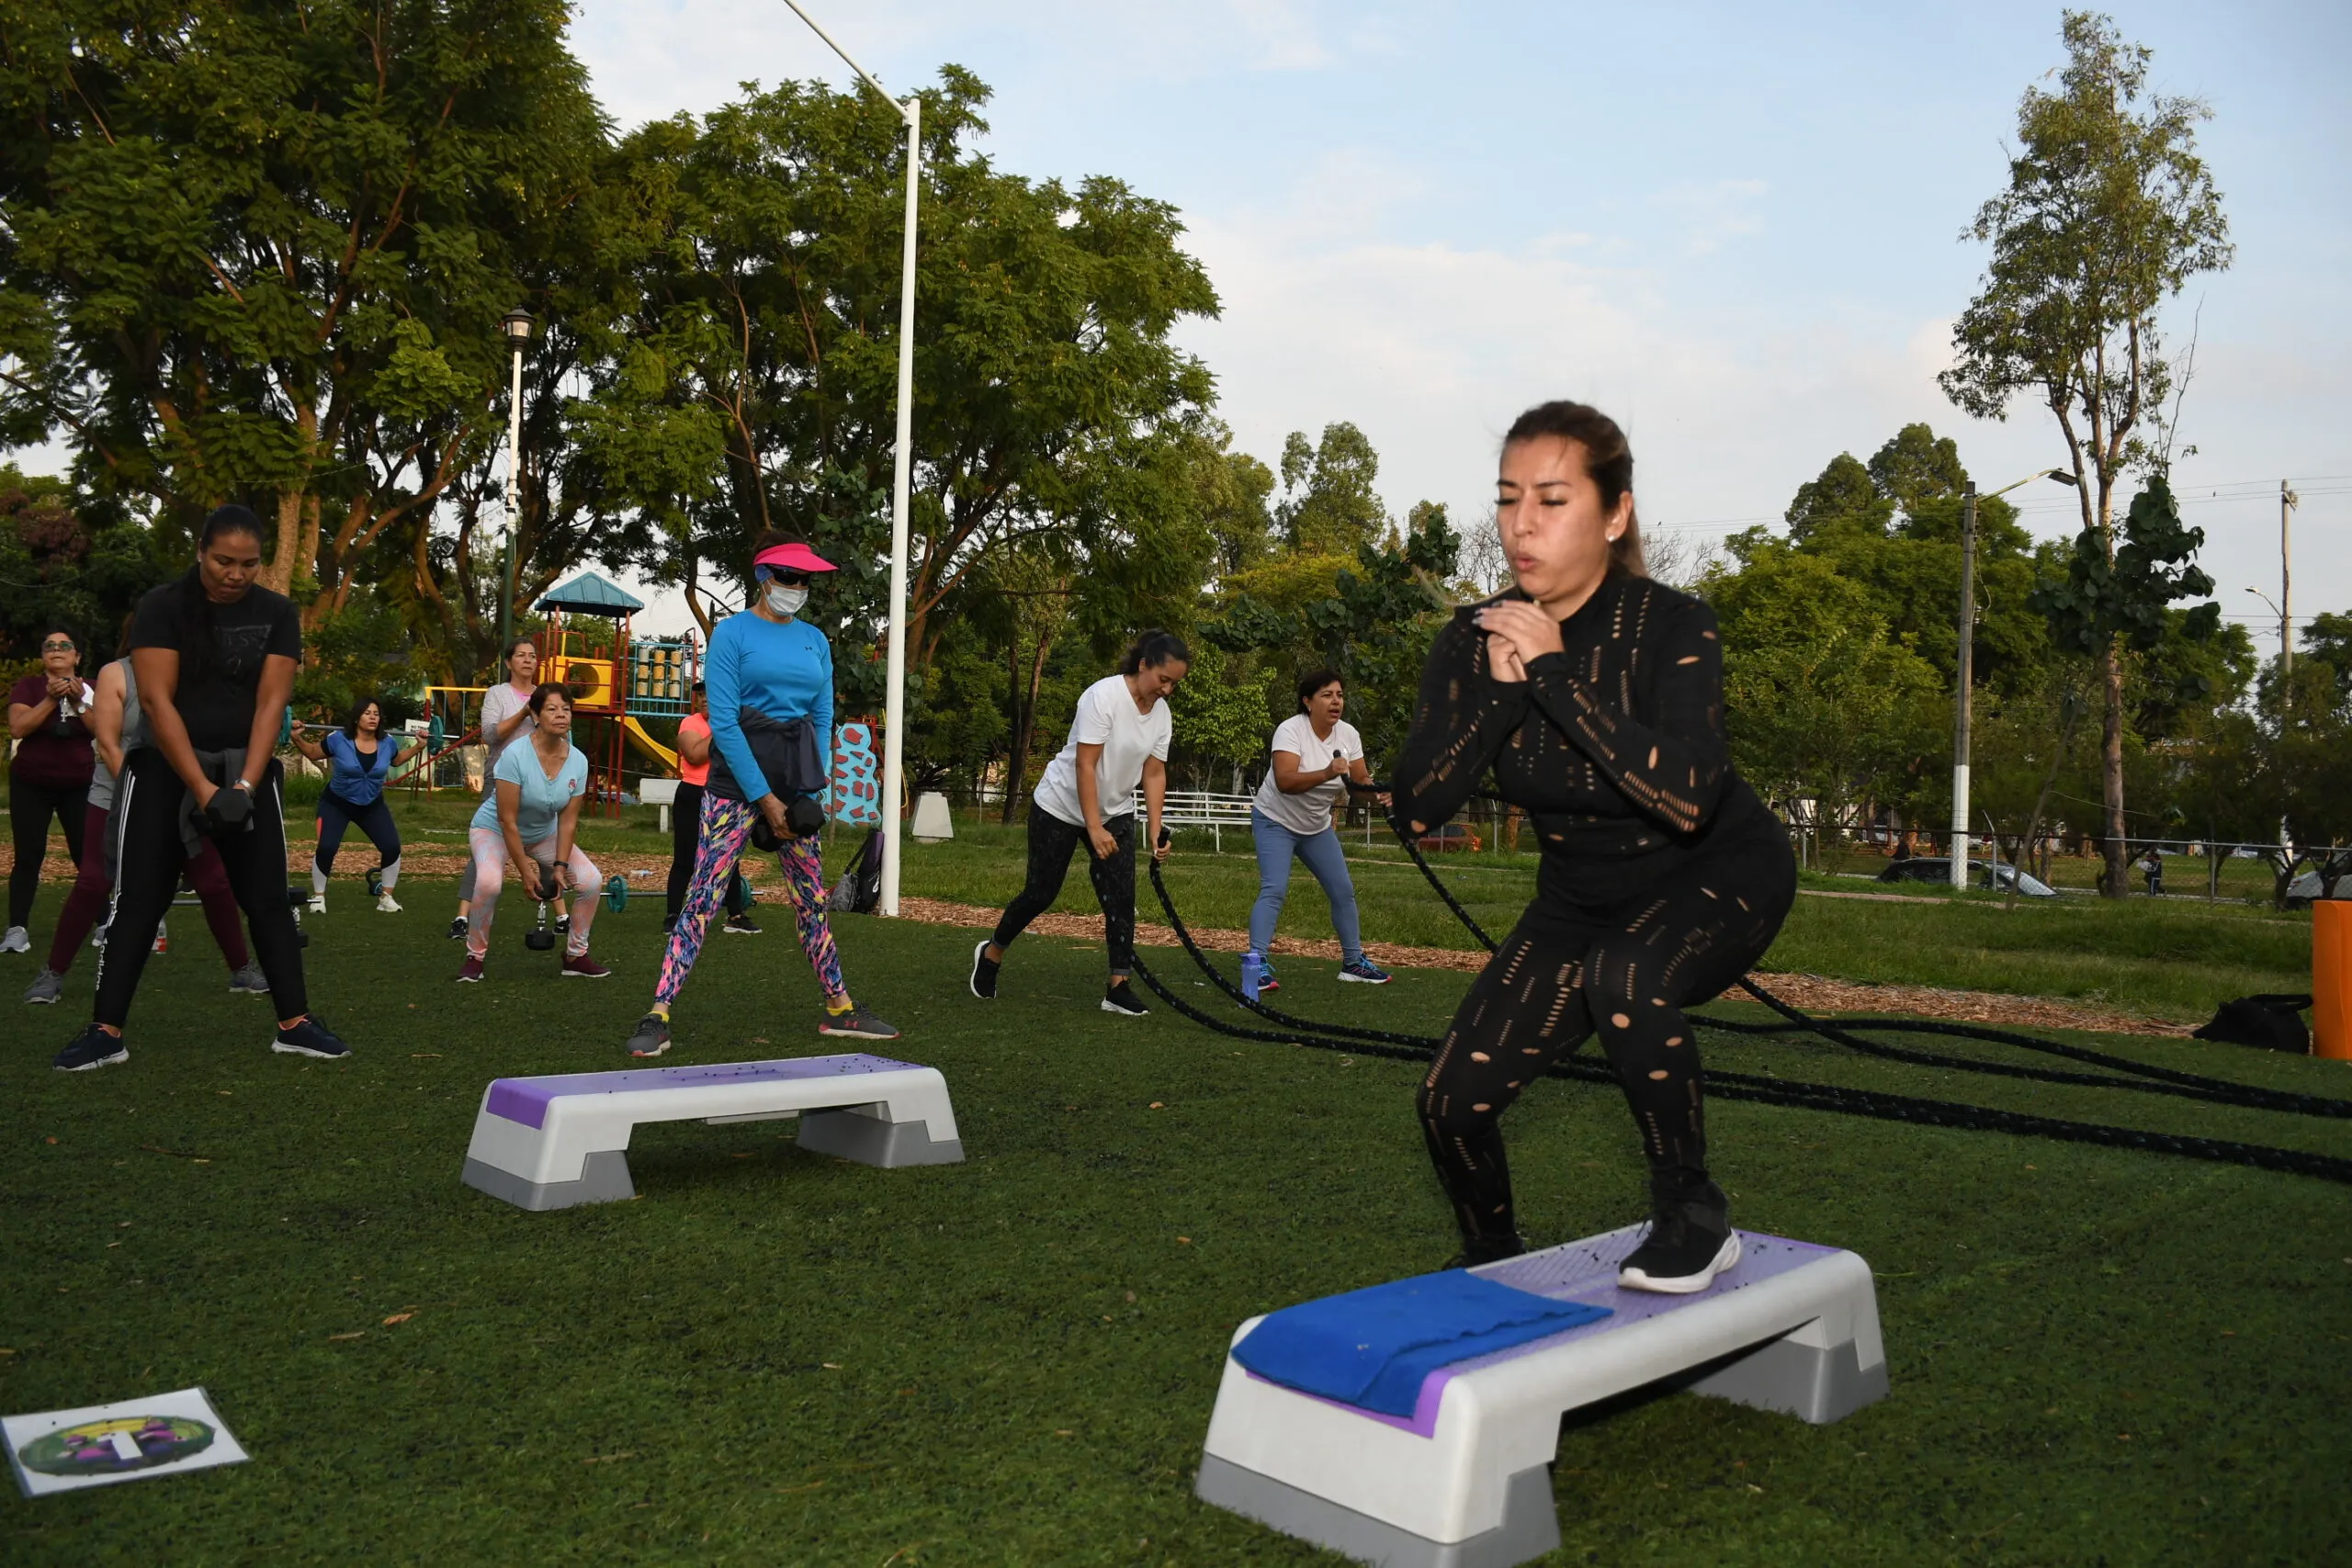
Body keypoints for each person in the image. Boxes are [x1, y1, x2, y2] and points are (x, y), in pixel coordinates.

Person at [1390, 400, 1794, 1292]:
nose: (1521, 524)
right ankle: (1492, 1262)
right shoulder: (1473, 639)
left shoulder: (1674, 624)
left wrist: (1553, 675)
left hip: (1718, 871)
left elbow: (1687, 798)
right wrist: (1500, 694)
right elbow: (1416, 808)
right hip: (1581, 895)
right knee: (1451, 1104)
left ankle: (1693, 1213)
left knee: (1625, 975)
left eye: (1551, 500)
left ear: (1615, 515)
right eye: (1508, 499)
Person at [51, 504, 347, 1071]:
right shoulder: (163, 606)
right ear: (200, 553)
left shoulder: (277, 612)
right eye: (223, 561)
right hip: (163, 768)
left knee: (267, 899)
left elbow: (271, 703)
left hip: (245, 768)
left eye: (248, 564)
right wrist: (204, 790)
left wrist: (245, 784)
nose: (235, 574)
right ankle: (105, 1032)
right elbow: (156, 702)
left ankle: (295, 1023)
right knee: (139, 899)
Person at [623, 532, 897, 1057]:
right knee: (702, 898)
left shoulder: (815, 641)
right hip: (734, 788)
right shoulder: (731, 634)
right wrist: (766, 801)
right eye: (790, 576)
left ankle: (840, 1007)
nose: (799, 586)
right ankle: (659, 1013)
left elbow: (822, 717)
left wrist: (807, 793)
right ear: (764, 577)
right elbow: (724, 724)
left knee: (812, 901)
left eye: (806, 579)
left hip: (795, 788)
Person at [23, 649, 265, 1005]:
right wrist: (142, 795)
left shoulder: (194, 671)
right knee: (94, 882)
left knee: (213, 881)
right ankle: (53, 974)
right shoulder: (117, 673)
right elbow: (108, 743)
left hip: (184, 798)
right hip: (116, 794)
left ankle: (241, 969)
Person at [968, 631, 1184, 1017]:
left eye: (1174, 684)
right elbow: (1086, 765)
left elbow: (1154, 773)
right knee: (1041, 893)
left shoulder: (1161, 715)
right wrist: (1093, 828)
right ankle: (992, 952)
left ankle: (1118, 986)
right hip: (1060, 806)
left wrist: (1155, 829)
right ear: (1143, 665)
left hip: (1115, 811)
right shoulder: (1103, 697)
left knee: (1121, 897)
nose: (1166, 690)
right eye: (1163, 679)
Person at [1246, 668, 1392, 992]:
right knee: (1274, 889)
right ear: (1308, 702)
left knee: (1343, 890)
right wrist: (1327, 772)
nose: (1335, 701)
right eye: (1327, 695)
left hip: (1315, 827)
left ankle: (1353, 964)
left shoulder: (1348, 735)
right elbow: (1285, 781)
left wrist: (1377, 792)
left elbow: (1359, 782)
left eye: (1339, 695)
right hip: (1275, 820)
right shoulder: (1290, 730)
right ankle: (1255, 968)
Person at [457, 682, 610, 981]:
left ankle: (575, 956)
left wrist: (559, 867)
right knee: (488, 883)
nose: (561, 714)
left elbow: (567, 821)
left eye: (566, 709)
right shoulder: (514, 755)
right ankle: (475, 957)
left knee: (591, 881)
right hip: (493, 829)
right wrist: (527, 873)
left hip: (543, 833)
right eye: (552, 709)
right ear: (536, 716)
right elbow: (507, 820)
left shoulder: (578, 761)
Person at [6, 626, 95, 954]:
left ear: (77, 656)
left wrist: (78, 700)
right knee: (28, 855)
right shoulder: (28, 686)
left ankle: (104, 924)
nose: (57, 649)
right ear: (43, 655)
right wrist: (50, 699)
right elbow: (18, 727)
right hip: (31, 783)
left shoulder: (92, 688)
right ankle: (17, 929)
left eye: (65, 645)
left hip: (79, 784)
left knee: (86, 855)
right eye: (50, 646)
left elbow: (105, 729)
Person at [451, 636, 540, 940]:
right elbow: (491, 735)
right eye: (521, 655)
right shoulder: (497, 694)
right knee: (485, 849)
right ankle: (462, 917)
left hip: (538, 782)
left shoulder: (543, 695)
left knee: (548, 843)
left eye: (532, 655)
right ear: (508, 662)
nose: (528, 660)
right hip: (500, 779)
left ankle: (560, 916)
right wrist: (525, 712)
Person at [296, 696, 417, 913]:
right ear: (356, 717)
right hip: (336, 803)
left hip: (371, 805)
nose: (372, 717)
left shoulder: (388, 742)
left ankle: (386, 898)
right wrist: (296, 737)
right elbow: (313, 752)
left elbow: (397, 760)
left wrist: (419, 746)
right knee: (327, 847)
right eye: (367, 713)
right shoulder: (338, 739)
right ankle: (318, 898)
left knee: (392, 847)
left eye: (376, 714)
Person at [665, 679, 757, 937]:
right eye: (700, 696)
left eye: (710, 694)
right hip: (692, 793)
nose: (704, 699)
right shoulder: (690, 723)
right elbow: (694, 755)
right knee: (685, 857)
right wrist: (724, 729)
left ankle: (735, 915)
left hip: (725, 794)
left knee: (729, 856)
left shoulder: (736, 724)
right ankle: (673, 915)